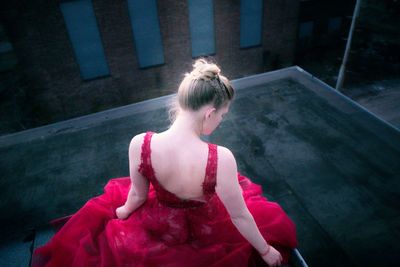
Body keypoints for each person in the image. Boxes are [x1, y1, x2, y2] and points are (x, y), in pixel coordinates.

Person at [32, 59, 297, 267]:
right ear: (209, 112)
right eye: (222, 115)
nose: (220, 121)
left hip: (160, 227)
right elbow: (239, 215)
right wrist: (264, 249)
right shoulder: (221, 158)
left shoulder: (140, 144)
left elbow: (136, 196)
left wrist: (122, 212)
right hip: (206, 230)